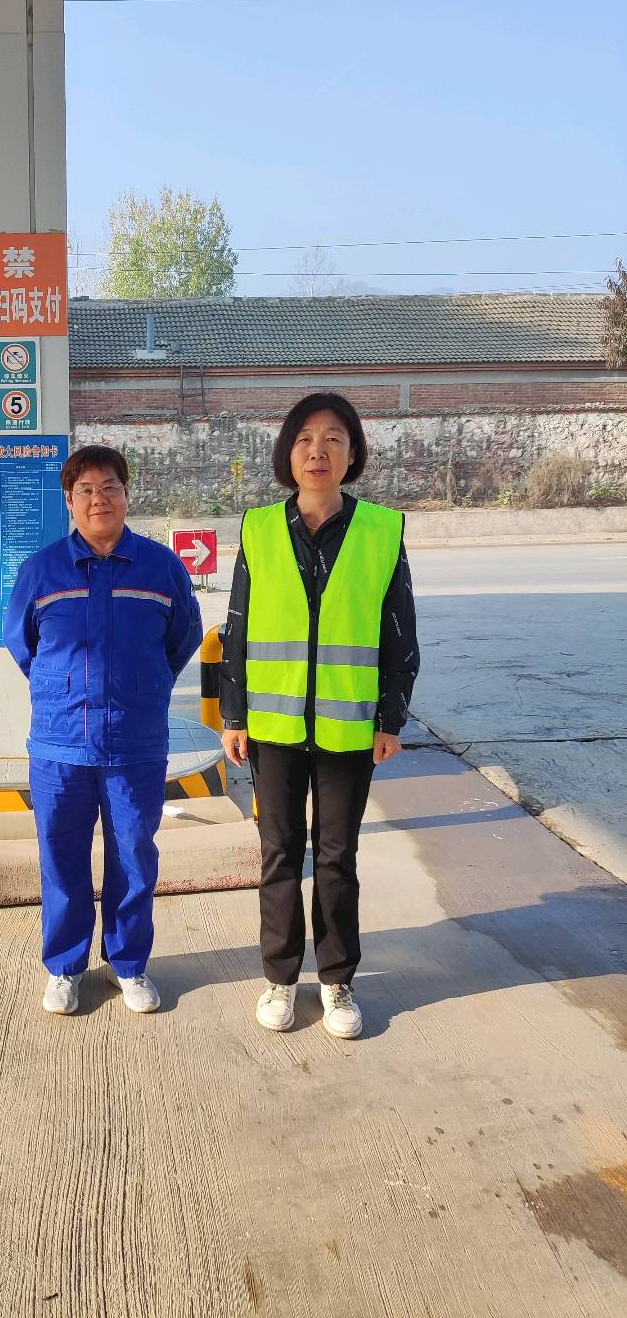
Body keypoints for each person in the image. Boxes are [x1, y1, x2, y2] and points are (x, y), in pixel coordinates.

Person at [220, 393, 419, 1040]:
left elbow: (399, 631)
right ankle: (280, 979)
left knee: (336, 857)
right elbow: (238, 628)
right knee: (279, 853)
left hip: (348, 726)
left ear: (352, 453)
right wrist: (234, 715)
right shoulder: (258, 529)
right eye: (305, 439)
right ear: (288, 453)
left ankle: (336, 981)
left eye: (334, 438)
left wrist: (391, 718)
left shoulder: (381, 531)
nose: (318, 451)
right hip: (273, 727)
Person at [4, 444, 203, 1017]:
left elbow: (183, 637)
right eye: (86, 490)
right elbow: (23, 643)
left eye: (110, 487)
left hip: (135, 741)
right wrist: (63, 687)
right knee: (60, 855)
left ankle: (128, 964)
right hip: (61, 743)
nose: (99, 499)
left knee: (134, 854)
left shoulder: (161, 567)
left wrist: (144, 684)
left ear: (126, 495)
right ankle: (64, 967)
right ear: (69, 502)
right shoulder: (42, 570)